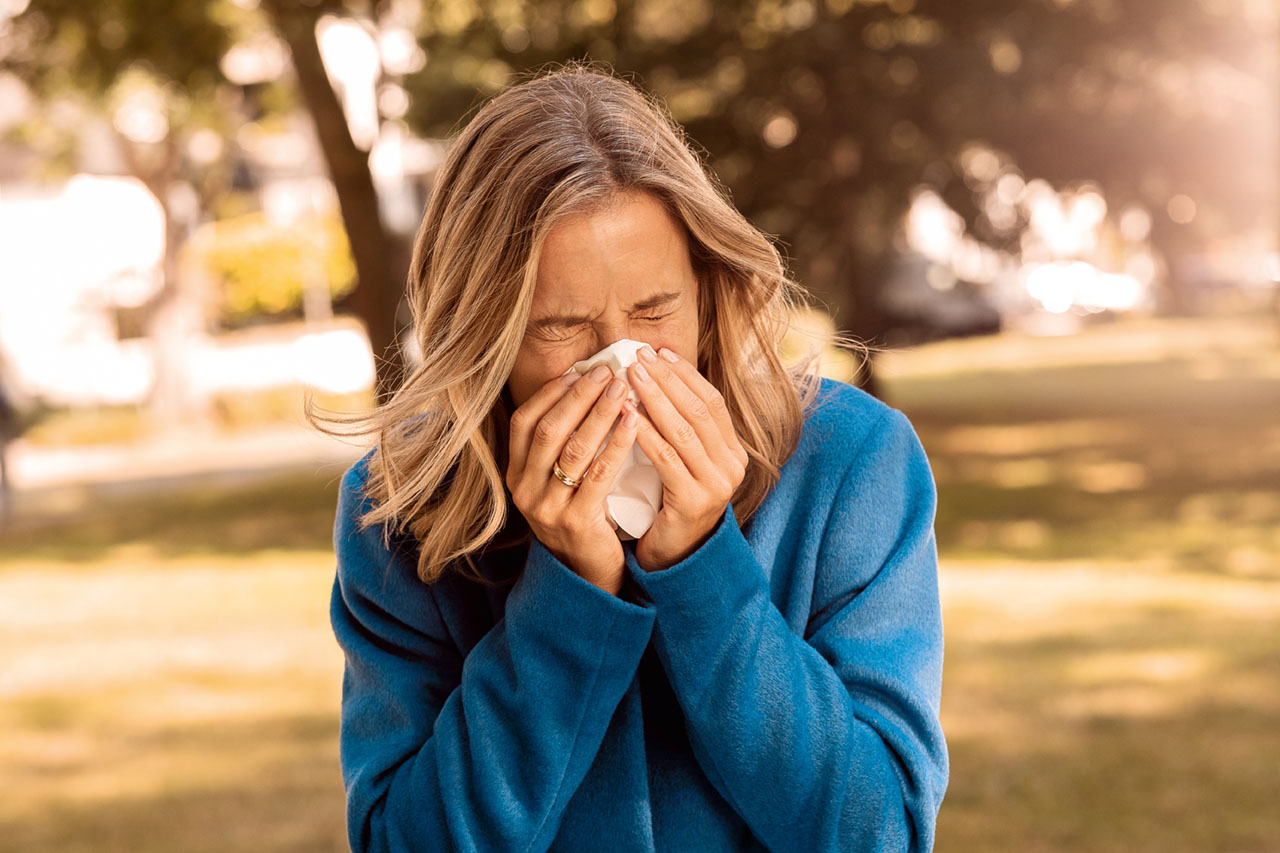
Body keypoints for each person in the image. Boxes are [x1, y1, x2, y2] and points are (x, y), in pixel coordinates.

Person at [316, 61, 948, 852]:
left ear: (707, 286)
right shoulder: (400, 509)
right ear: (488, 337)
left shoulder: (851, 463)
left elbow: (876, 831)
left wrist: (701, 569)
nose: (619, 362)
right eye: (561, 325)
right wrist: (570, 595)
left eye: (654, 310)